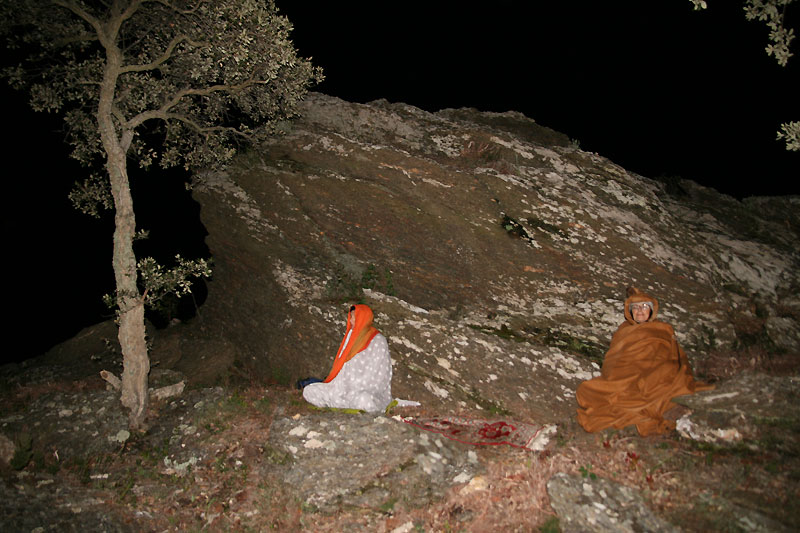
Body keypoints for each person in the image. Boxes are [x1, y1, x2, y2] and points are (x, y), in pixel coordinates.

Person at [575, 287, 714, 436]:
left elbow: (676, 356)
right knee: (586, 390)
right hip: (626, 375)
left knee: (667, 370)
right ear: (630, 312)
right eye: (635, 307)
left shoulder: (663, 329)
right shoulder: (623, 331)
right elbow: (613, 360)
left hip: (656, 370)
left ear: (652, 310)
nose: (640, 311)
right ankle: (639, 396)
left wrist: (670, 368)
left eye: (644, 306)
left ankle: (658, 404)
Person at [302, 304, 393, 413]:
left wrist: (356, 385)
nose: (351, 321)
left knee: (364, 400)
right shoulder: (350, 335)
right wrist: (341, 386)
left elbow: (380, 374)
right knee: (309, 390)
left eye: (354, 317)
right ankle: (343, 406)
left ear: (364, 317)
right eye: (351, 317)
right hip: (341, 389)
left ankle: (352, 406)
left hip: (363, 390)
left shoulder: (378, 340)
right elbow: (342, 366)